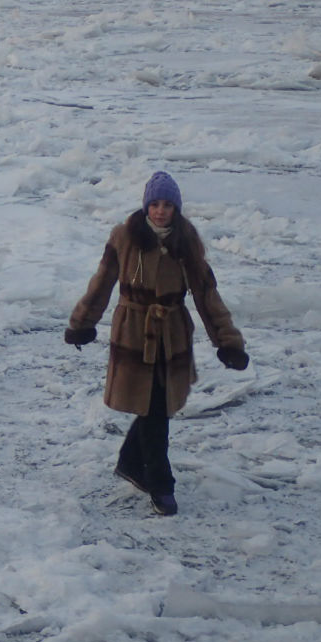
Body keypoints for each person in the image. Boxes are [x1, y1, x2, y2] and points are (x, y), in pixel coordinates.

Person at [65, 171, 248, 516]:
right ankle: (161, 483)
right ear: (146, 206)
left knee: (158, 407)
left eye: (167, 205)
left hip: (172, 335)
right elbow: (101, 284)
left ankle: (131, 462)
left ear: (176, 209)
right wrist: (82, 323)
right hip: (133, 332)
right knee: (152, 410)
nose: (161, 211)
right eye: (155, 204)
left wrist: (228, 342)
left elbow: (207, 296)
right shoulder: (124, 237)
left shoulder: (186, 242)